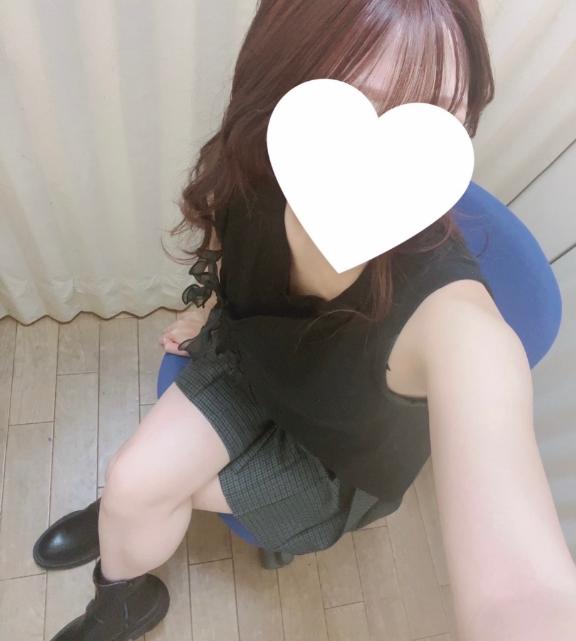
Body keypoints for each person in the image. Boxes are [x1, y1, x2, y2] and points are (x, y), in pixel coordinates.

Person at [33, 1, 576, 640]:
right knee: (132, 484)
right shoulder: (265, 163)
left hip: (330, 461)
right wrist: (205, 307)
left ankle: (127, 520)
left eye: (436, 114)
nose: (383, 159)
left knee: (148, 491)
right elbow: (226, 242)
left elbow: (523, 596)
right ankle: (124, 593)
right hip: (253, 363)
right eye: (357, 104)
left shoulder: (459, 327)